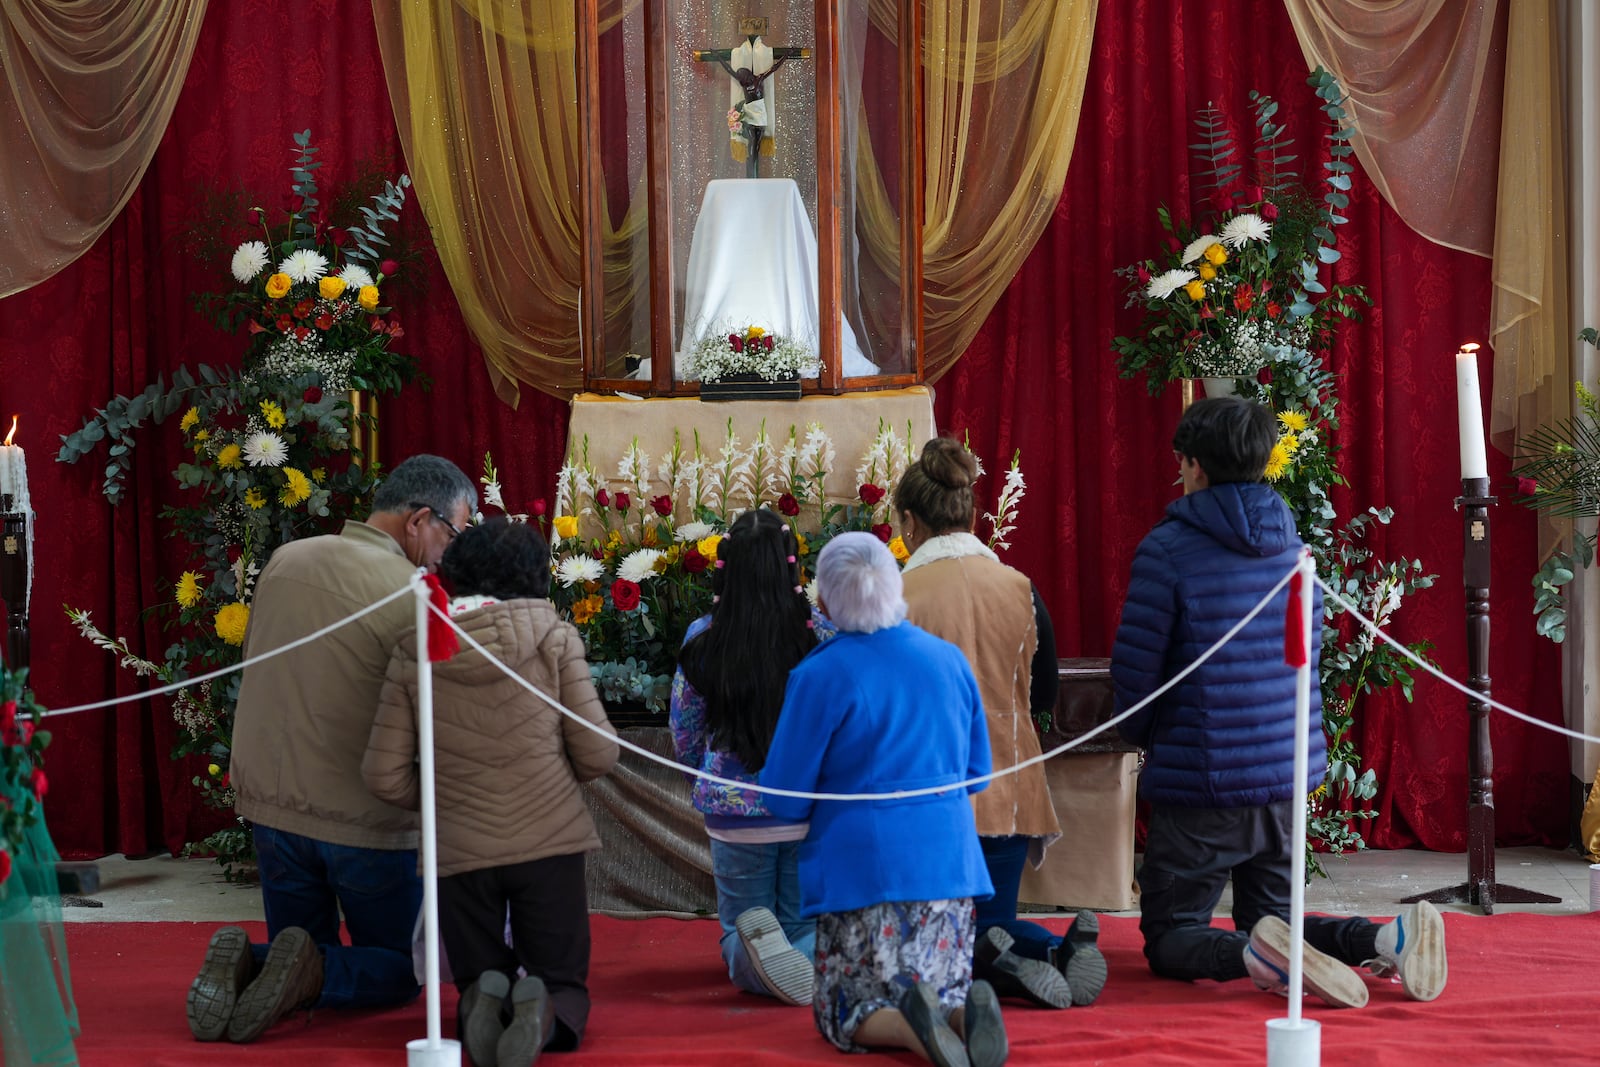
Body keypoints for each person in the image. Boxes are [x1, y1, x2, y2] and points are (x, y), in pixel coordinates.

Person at [1111, 397, 1447, 1008]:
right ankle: (1386, 937)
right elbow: (1303, 663)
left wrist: (1142, 745)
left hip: (1202, 785)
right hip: (1286, 778)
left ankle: (1253, 958)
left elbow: (1138, 681)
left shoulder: (1167, 550)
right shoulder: (1296, 550)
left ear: (1194, 467)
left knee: (1169, 938)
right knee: (1275, 921)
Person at [186, 454, 477, 1044]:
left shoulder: (287, 559)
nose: (455, 551)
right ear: (419, 520)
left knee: (302, 940)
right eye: (455, 533)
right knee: (402, 969)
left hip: (270, 808)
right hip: (364, 822)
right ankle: (306, 973)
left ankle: (259, 962)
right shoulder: (415, 591)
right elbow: (438, 712)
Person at [364, 516, 619, 1067]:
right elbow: (599, 752)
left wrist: (446, 799)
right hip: (550, 841)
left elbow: (382, 775)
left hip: (459, 851)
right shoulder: (554, 637)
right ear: (533, 576)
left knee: (479, 977)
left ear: (452, 575)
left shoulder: (416, 647)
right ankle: (544, 1014)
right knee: (561, 979)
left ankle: (487, 1003)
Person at [760, 533, 1008, 1067]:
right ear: (896, 586)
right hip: (949, 865)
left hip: (863, 871)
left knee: (843, 1009)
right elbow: (977, 774)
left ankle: (910, 1032)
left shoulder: (818, 675)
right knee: (942, 984)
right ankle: (962, 1014)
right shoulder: (949, 659)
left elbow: (784, 798)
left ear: (823, 603)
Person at [895, 437, 1106, 1010]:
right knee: (992, 920)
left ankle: (1031, 964)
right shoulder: (1020, 588)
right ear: (969, 511)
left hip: (928, 787)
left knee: (928, 940)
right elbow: (1047, 691)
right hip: (1011, 778)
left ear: (910, 522)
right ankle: (1056, 952)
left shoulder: (898, 595)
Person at [671, 508, 825, 1005]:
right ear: (792, 565)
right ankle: (797, 954)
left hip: (734, 811)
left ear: (726, 568)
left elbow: (686, 734)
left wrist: (712, 776)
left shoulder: (702, 638)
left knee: (741, 926)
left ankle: (751, 956)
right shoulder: (819, 635)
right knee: (803, 922)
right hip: (806, 807)